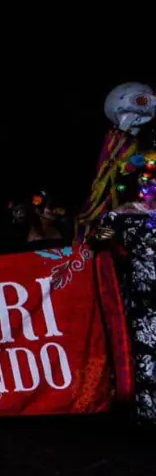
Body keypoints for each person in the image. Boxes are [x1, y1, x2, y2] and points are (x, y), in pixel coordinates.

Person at [93, 149, 156, 424]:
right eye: (148, 179)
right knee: (147, 354)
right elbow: (97, 239)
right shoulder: (125, 215)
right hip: (144, 296)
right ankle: (149, 412)